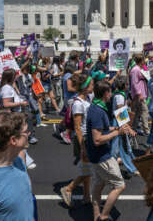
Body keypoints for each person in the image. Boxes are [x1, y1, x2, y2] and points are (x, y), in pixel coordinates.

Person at [86, 80, 131, 221]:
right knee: (119, 185)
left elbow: (102, 129)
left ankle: (96, 215)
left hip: (96, 155)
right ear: (106, 93)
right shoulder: (98, 112)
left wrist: (116, 128)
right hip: (102, 156)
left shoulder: (96, 107)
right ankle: (103, 217)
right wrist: (117, 133)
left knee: (99, 184)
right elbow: (97, 139)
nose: (111, 94)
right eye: (110, 92)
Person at [61, 74, 94, 207]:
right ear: (85, 87)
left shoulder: (87, 99)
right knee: (89, 169)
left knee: (86, 169)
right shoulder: (78, 104)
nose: (93, 86)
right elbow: (77, 127)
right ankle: (69, 188)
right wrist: (83, 147)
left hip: (88, 137)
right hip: (83, 139)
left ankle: (86, 196)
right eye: (91, 84)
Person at [0, 68, 38, 144]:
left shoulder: (9, 86)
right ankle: (26, 138)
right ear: (11, 77)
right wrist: (21, 103)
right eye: (15, 75)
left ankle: (26, 137)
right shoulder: (6, 88)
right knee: (25, 121)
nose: (17, 76)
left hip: (17, 110)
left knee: (27, 119)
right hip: (14, 112)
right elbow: (6, 104)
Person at [110, 75, 138, 176]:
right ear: (125, 85)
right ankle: (110, 170)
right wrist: (128, 128)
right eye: (127, 83)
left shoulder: (120, 95)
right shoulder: (120, 96)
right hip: (118, 123)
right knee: (116, 148)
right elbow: (120, 113)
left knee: (123, 147)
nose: (129, 85)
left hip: (119, 122)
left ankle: (131, 167)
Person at [130, 54, 150, 136]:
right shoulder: (135, 70)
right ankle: (146, 130)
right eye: (143, 60)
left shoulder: (138, 69)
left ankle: (133, 129)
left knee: (137, 113)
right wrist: (139, 94)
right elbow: (134, 83)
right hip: (139, 95)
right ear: (141, 61)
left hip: (140, 94)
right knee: (144, 111)